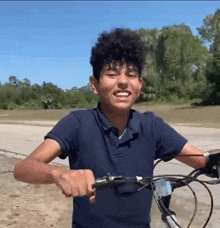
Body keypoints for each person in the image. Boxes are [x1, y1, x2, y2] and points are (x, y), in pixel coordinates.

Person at [14, 28, 208, 228]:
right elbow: (23, 168)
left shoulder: (151, 126)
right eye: (112, 74)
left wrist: (211, 162)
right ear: (94, 84)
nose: (123, 82)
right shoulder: (78, 123)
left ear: (140, 85)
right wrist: (59, 174)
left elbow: (201, 160)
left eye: (131, 75)